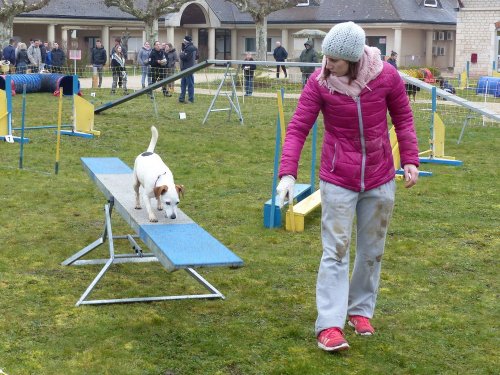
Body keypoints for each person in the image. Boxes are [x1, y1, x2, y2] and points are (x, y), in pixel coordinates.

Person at [276, 21, 419, 353]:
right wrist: (287, 173)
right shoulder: (320, 82)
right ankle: (328, 325)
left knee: (372, 250)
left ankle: (360, 311)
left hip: (380, 176)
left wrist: (410, 158)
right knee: (335, 252)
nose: (327, 65)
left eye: (335, 61)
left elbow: (404, 118)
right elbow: (298, 127)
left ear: (354, 61)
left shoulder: (387, 77)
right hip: (338, 177)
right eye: (325, 58)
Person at [179, 35, 198, 104]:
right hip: (190, 67)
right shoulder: (194, 47)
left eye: (184, 41)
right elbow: (197, 57)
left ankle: (190, 99)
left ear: (185, 41)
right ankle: (181, 98)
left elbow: (184, 58)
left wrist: (181, 52)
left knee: (188, 84)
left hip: (187, 68)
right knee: (184, 83)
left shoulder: (188, 48)